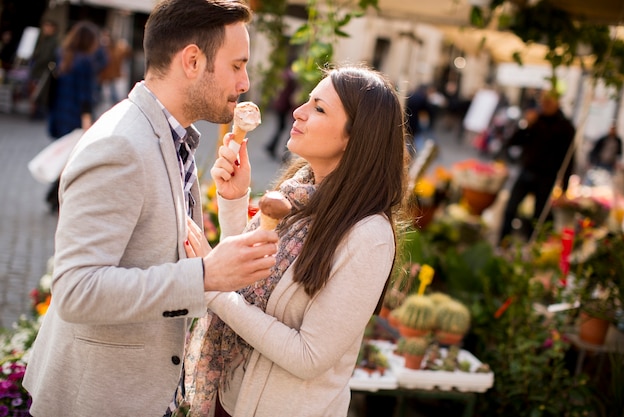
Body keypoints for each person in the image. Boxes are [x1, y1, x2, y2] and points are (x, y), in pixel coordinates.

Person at [23, 1, 279, 416]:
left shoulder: (172, 136)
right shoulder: (121, 145)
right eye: (237, 66)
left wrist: (231, 202)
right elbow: (75, 291)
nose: (245, 82)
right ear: (192, 61)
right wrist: (205, 275)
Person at [171, 64, 409, 417]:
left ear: (355, 136)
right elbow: (249, 281)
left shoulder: (368, 236)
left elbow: (309, 356)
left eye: (319, 108)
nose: (298, 112)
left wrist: (213, 289)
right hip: (226, 397)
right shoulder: (299, 192)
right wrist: (234, 199)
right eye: (308, 101)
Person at [498, 89, 575, 245]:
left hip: (547, 176)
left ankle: (532, 246)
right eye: (543, 101)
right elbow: (513, 142)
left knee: (539, 215)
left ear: (557, 102)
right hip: (527, 170)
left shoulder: (565, 127)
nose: (545, 105)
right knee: (511, 207)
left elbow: (569, 159)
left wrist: (564, 188)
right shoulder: (535, 120)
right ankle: (503, 242)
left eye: (549, 101)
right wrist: (526, 125)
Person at [43, 20, 101, 213]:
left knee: (65, 158)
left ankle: (54, 195)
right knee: (71, 160)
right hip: (75, 116)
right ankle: (55, 196)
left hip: (59, 114)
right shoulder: (85, 61)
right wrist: (87, 121)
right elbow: (85, 94)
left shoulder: (62, 55)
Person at [28, 18, 59, 119]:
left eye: (48, 27)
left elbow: (46, 57)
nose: (45, 29)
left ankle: (37, 112)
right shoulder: (44, 40)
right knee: (35, 91)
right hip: (39, 70)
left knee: (38, 92)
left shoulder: (52, 42)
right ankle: (35, 111)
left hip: (43, 70)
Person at [264, 66, 297, 160]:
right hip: (283, 107)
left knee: (282, 129)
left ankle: (273, 147)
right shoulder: (291, 78)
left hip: (281, 106)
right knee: (284, 129)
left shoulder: (285, 76)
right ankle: (282, 152)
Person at [97, 28, 131, 106]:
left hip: (112, 75)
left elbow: (127, 53)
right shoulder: (102, 49)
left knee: (113, 94)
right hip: (103, 75)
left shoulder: (117, 48)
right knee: (103, 95)